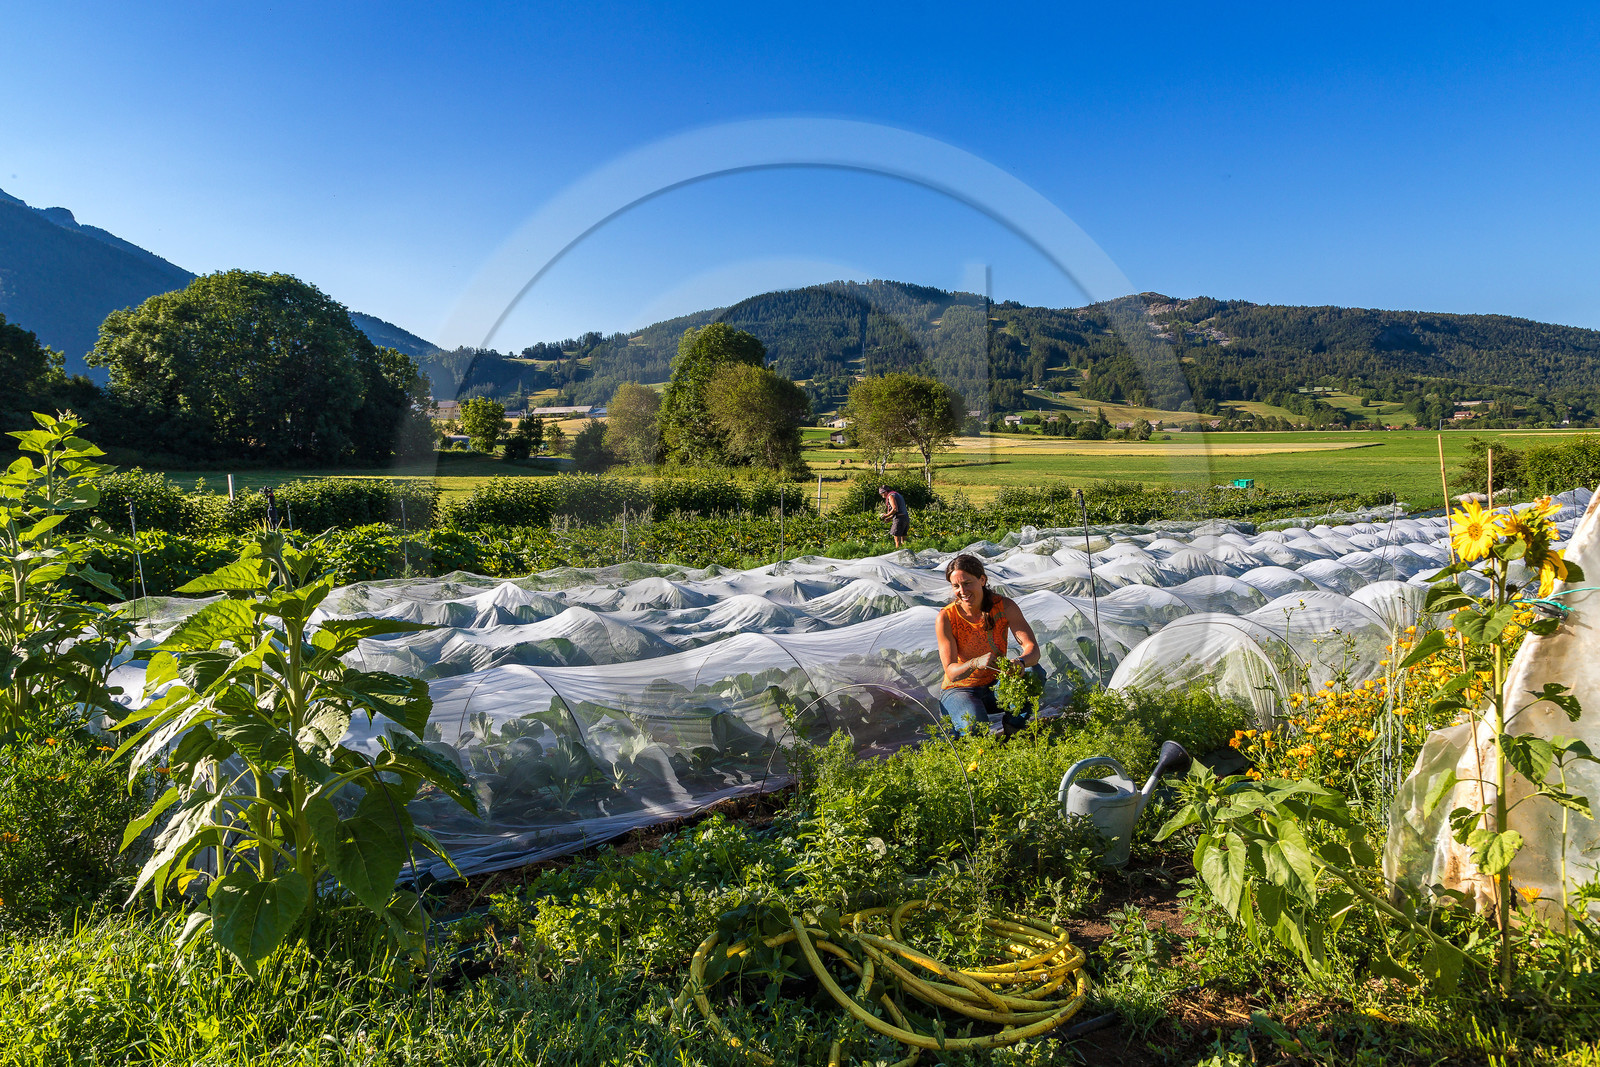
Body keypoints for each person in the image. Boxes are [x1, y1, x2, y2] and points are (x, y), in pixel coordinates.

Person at [935, 553, 1044, 736]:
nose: (962, 591)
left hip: (996, 686)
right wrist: (975, 662)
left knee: (1034, 673)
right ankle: (967, 736)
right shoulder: (946, 617)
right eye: (956, 586)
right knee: (974, 728)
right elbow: (951, 672)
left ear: (982, 580)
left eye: (967, 583)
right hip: (960, 689)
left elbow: (1033, 650)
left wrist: (1021, 662)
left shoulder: (1004, 607)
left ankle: (1014, 727)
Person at [879, 484, 909, 548]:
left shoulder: (891, 496)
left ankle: (898, 554)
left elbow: (895, 509)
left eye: (882, 494)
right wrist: (890, 517)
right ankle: (906, 554)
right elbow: (899, 509)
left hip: (899, 520)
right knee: (904, 540)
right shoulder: (898, 495)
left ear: (885, 492)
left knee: (897, 541)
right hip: (905, 518)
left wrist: (886, 516)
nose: (882, 496)